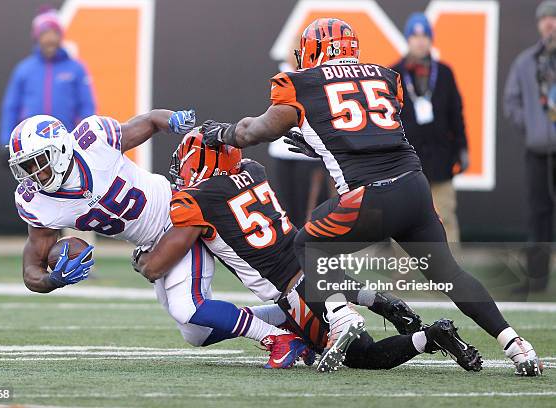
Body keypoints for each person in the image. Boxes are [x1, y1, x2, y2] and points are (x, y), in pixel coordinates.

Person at [199, 17, 543, 376]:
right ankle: (517, 345)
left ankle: (341, 316)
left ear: (316, 49)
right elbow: (372, 132)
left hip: (370, 199)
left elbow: (256, 131)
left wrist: (221, 133)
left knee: (308, 243)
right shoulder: (385, 76)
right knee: (449, 272)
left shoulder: (300, 84)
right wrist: (322, 146)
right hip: (414, 188)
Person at [132, 130, 482, 373]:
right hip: (310, 263)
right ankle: (378, 300)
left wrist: (142, 256)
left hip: (293, 288)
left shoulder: (197, 200)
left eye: (187, 162)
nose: (182, 171)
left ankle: (429, 336)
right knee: (302, 308)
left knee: (364, 357)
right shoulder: (254, 170)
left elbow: (156, 266)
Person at [7, 109, 311, 369]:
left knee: (188, 307)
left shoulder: (93, 139)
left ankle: (278, 339)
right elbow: (32, 271)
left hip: (179, 218)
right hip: (148, 241)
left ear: (60, 149)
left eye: (39, 161)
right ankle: (285, 318)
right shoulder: (36, 201)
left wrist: (173, 120)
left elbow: (150, 121)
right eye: (26, 166)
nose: (34, 172)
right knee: (197, 333)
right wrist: (55, 280)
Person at [391, 13, 468, 242]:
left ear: (431, 39)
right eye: (414, 36)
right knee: (403, 223)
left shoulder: (444, 73)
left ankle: (451, 277)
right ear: (407, 39)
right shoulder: (393, 74)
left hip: (440, 162)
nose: (420, 40)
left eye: (424, 35)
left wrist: (462, 148)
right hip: (405, 165)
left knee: (445, 220)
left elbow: (456, 114)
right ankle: (403, 278)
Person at [504, 0, 556, 293]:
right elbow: (511, 102)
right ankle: (536, 281)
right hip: (538, 153)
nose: (549, 23)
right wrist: (534, 127)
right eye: (544, 19)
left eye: (553, 18)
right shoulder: (526, 62)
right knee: (538, 216)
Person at [0, 7, 95, 148]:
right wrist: (6, 141)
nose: (50, 38)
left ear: (60, 36)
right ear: (37, 37)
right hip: (30, 144)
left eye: (54, 33)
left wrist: (88, 138)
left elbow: (87, 107)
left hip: (67, 143)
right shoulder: (24, 69)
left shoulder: (77, 69)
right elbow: (11, 107)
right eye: (45, 33)